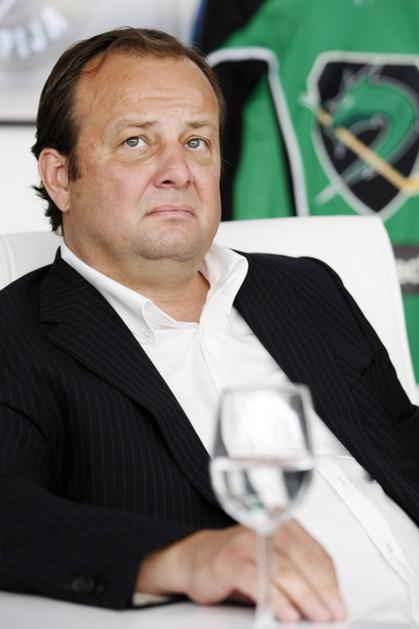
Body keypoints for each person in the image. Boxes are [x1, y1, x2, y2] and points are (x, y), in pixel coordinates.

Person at [0, 27, 418, 623]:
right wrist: (181, 557)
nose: (178, 170)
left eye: (197, 141)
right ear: (61, 176)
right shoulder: (17, 337)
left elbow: (400, 442)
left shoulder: (307, 288)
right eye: (137, 141)